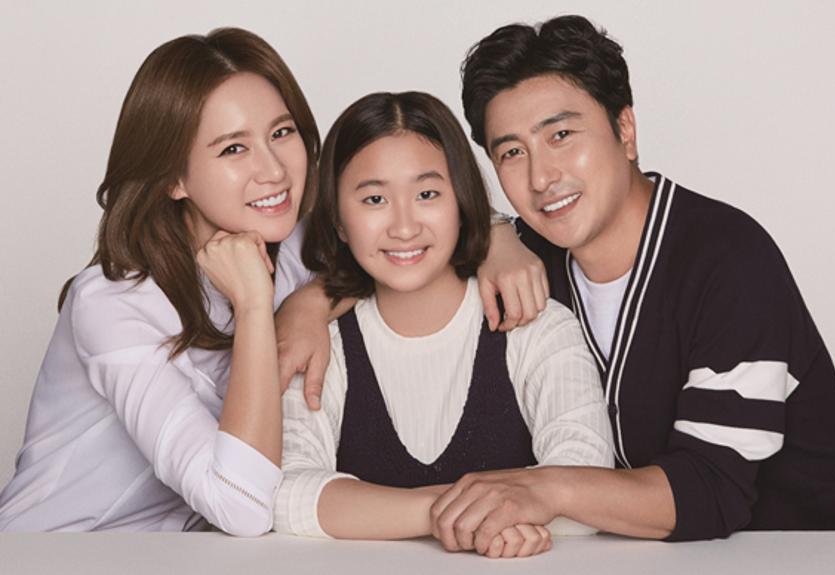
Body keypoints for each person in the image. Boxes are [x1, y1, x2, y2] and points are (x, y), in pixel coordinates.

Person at [427, 14, 835, 549]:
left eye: (561, 135)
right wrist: (494, 233)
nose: (541, 177)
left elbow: (712, 487)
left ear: (625, 130)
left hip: (816, 553)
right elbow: (390, 264)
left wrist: (546, 488)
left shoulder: (729, 258)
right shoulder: (533, 261)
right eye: (512, 152)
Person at [0, 28, 320, 534]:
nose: (275, 170)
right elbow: (241, 506)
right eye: (234, 148)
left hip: (184, 555)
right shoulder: (112, 303)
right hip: (56, 552)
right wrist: (255, 307)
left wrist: (310, 305)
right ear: (174, 178)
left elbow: (399, 252)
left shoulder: (291, 244)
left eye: (281, 133)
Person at [272, 91, 613, 559]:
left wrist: (370, 511)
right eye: (374, 199)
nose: (404, 226)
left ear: (462, 203)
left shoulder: (536, 326)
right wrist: (445, 513)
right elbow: (285, 493)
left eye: (427, 194)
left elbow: (586, 484)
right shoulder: (319, 342)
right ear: (340, 222)